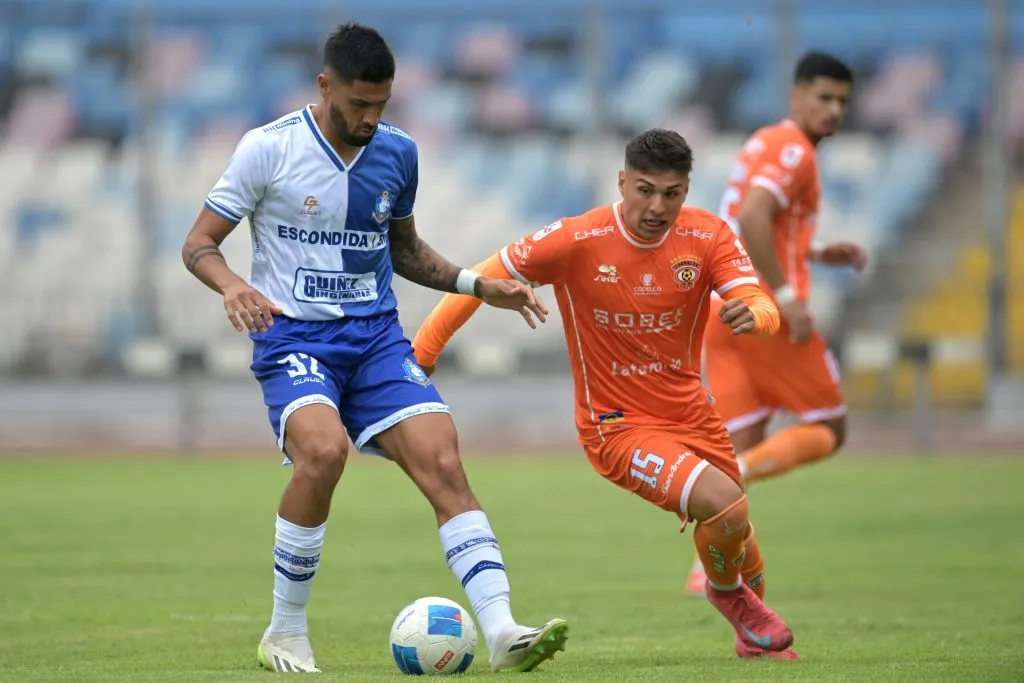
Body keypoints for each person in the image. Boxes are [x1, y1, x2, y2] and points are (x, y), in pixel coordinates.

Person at [181, 22, 567, 674]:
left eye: (381, 105)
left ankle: (502, 630)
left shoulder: (398, 152)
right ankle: (285, 630)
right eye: (358, 103)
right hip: (294, 336)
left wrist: (478, 285)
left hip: (376, 340)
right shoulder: (267, 149)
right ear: (324, 85)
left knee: (444, 459)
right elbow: (198, 244)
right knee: (323, 452)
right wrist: (233, 285)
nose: (369, 118)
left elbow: (405, 250)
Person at [412, 129, 797, 660]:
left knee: (737, 530)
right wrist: (422, 355)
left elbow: (761, 302)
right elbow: (480, 278)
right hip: (617, 425)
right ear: (622, 182)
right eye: (645, 190)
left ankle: (754, 643)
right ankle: (726, 594)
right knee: (725, 506)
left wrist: (755, 315)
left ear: (686, 190)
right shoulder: (577, 239)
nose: (657, 207)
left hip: (693, 415)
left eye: (671, 193)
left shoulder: (708, 236)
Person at [685, 51, 868, 596]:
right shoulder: (794, 149)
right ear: (797, 96)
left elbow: (756, 225)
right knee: (829, 428)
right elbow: (752, 216)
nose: (833, 110)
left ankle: (707, 566)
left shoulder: (763, 141)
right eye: (823, 97)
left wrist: (818, 251)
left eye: (842, 101)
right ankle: (738, 477)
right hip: (765, 312)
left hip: (723, 306)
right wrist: (787, 295)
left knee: (740, 441)